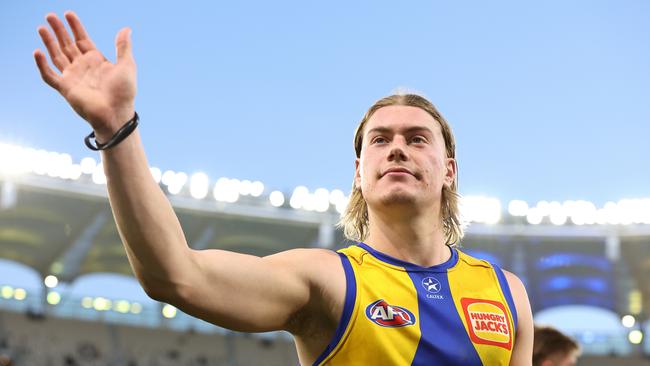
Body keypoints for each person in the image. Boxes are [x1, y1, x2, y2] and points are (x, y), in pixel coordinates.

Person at [34, 11, 533, 365]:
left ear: (449, 170)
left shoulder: (507, 294)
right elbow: (177, 276)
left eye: (416, 138)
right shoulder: (327, 280)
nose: (396, 149)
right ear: (360, 171)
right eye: (380, 140)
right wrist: (117, 129)